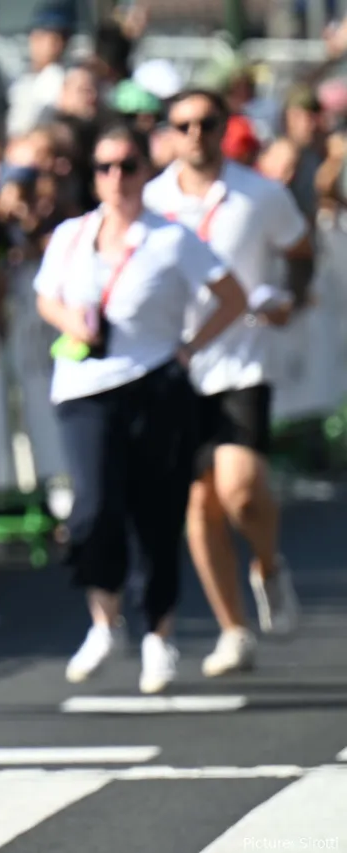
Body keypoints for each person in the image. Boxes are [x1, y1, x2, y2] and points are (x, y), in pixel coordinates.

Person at [35, 124, 247, 695]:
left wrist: (190, 346)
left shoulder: (170, 237)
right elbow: (44, 296)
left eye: (128, 166)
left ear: (143, 172)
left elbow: (233, 296)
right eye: (105, 167)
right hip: (84, 386)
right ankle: (105, 619)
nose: (117, 178)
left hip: (155, 383)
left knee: (156, 513)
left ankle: (159, 633)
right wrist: (70, 322)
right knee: (93, 509)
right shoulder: (72, 236)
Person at [143, 89, 312, 676]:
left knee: (240, 487)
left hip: (241, 358)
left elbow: (300, 248)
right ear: (168, 132)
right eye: (183, 124)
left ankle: (267, 565)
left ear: (223, 129)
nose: (195, 134)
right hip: (175, 367)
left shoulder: (260, 192)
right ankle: (233, 629)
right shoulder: (151, 197)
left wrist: (289, 296)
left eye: (207, 123)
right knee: (199, 503)